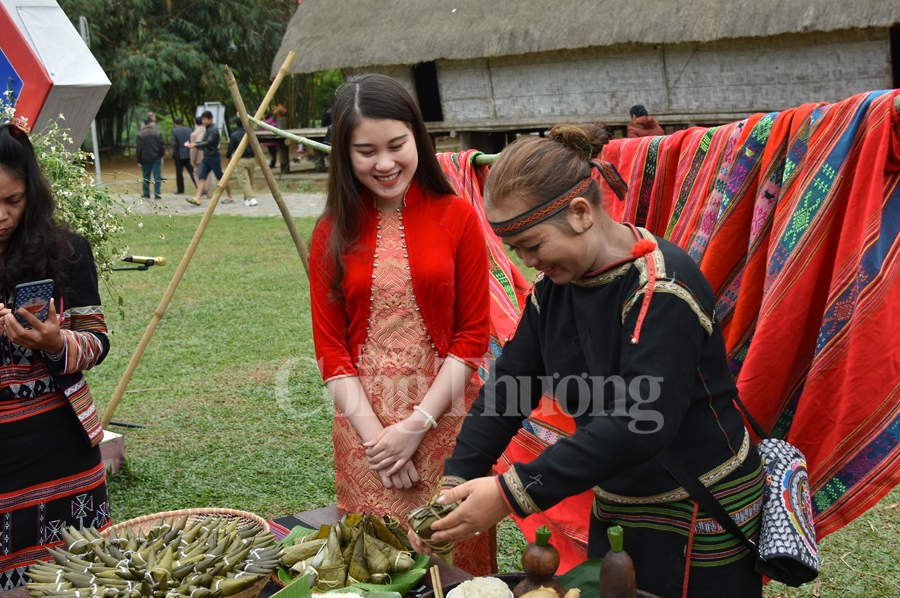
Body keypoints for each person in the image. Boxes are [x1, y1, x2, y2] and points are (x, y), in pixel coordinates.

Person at [409, 126, 765, 598]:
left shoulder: (662, 289)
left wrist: (510, 493)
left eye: (532, 246)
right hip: (619, 502)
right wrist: (458, 479)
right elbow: (509, 387)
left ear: (580, 213)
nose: (527, 261)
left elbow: (639, 421)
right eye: (516, 249)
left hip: (696, 510)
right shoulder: (556, 290)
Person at [308, 73, 493, 576]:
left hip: (447, 421)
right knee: (376, 568)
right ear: (344, 156)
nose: (385, 163)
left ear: (418, 138)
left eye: (397, 145)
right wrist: (379, 442)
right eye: (366, 151)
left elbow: (474, 336)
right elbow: (330, 350)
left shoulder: (458, 217)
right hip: (365, 431)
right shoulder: (330, 231)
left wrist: (416, 427)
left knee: (456, 567)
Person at [0, 121, 111, 588]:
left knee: (81, 577)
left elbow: (97, 340)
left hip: (64, 449)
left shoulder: (67, 252)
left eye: (12, 201)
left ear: (32, 195)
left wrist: (55, 343)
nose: (1, 215)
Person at [187, 110, 234, 205]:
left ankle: (230, 196)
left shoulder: (214, 130)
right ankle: (198, 198)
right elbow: (205, 143)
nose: (203, 121)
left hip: (213, 158)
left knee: (221, 178)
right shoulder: (207, 129)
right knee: (201, 177)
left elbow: (209, 142)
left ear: (210, 119)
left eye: (205, 119)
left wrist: (196, 144)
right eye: (202, 119)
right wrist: (197, 146)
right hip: (206, 157)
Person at [226, 117, 258, 207]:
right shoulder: (251, 133)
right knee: (249, 180)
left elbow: (230, 148)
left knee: (245, 180)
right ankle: (248, 199)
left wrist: (228, 156)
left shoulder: (234, 135)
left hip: (241, 159)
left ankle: (250, 198)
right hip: (251, 159)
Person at [136, 116, 164, 199]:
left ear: (144, 124)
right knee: (157, 176)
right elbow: (162, 146)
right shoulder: (157, 133)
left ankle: (146, 193)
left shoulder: (140, 134)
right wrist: (160, 155)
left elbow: (139, 149)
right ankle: (157, 193)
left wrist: (139, 160)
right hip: (156, 158)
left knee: (146, 176)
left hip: (145, 159)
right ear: (151, 123)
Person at [171, 116, 195, 195]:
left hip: (179, 155)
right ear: (182, 122)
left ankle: (180, 189)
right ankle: (198, 186)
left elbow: (175, 144)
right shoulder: (189, 129)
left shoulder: (174, 131)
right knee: (192, 172)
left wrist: (173, 154)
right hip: (188, 153)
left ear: (175, 124)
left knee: (179, 173)